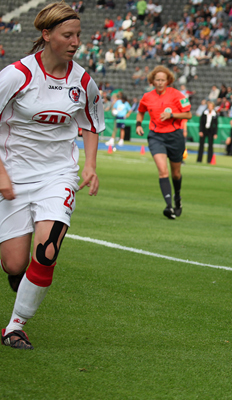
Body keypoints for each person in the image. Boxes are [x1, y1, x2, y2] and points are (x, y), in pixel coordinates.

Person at [0, 2, 103, 350]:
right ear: (46, 35)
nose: (75, 42)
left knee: (47, 250)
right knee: (14, 262)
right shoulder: (16, 75)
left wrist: (89, 166)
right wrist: (0, 172)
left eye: (78, 35)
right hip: (13, 173)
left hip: (58, 174)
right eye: (67, 35)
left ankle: (15, 326)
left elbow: (90, 124)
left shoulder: (83, 80)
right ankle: (21, 279)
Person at [136, 66, 191, 219]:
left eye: (163, 80)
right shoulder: (147, 96)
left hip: (174, 137)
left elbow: (189, 114)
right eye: (157, 80)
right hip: (156, 136)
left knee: (176, 173)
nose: (160, 82)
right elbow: (141, 111)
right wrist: (138, 125)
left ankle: (177, 198)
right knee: (162, 170)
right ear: (152, 81)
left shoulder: (177, 95)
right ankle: (168, 206)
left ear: (168, 81)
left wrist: (172, 114)